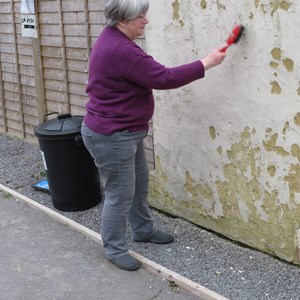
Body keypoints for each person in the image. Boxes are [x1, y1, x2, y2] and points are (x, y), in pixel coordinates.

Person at [81, 0, 226, 271]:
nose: (145, 21)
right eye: (140, 16)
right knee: (119, 193)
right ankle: (114, 248)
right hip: (113, 136)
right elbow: (164, 78)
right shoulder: (120, 49)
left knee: (138, 185)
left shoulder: (112, 37)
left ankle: (143, 230)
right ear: (122, 20)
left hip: (125, 132)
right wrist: (207, 63)